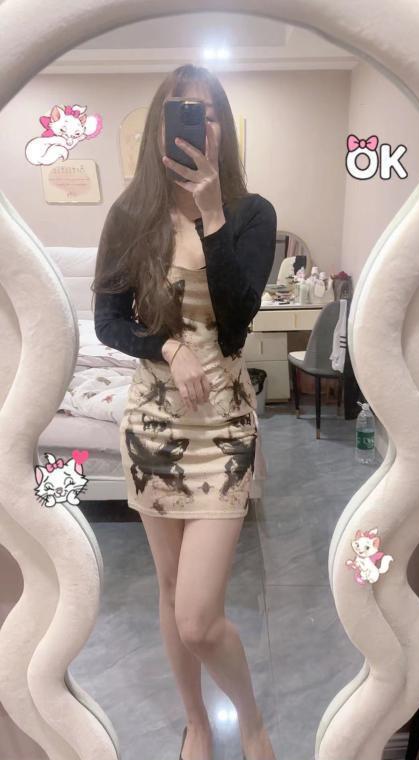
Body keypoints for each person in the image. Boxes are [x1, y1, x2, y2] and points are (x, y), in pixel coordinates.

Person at [92, 63, 277, 760]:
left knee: (200, 618)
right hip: (153, 428)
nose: (197, 125)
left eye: (208, 112)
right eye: (182, 111)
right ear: (159, 128)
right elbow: (109, 321)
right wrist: (167, 347)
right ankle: (196, 722)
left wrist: (211, 214)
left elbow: (236, 319)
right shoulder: (129, 216)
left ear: (221, 128)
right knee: (171, 593)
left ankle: (249, 719)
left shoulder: (252, 213)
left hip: (223, 428)